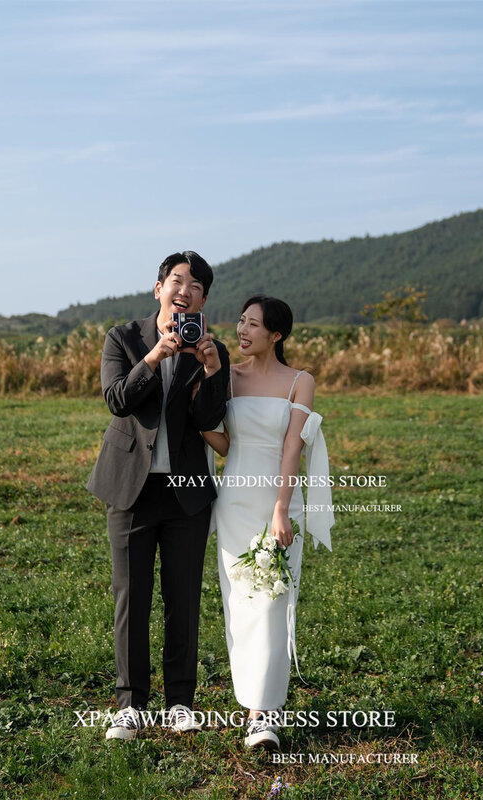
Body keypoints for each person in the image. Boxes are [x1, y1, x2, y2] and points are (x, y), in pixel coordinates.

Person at [87, 251, 229, 740]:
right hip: (131, 489)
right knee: (132, 596)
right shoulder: (123, 338)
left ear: (204, 299)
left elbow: (211, 421)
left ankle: (181, 704)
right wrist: (153, 359)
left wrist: (210, 370)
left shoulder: (212, 349)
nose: (184, 290)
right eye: (176, 281)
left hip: (187, 493)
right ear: (158, 288)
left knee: (183, 598)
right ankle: (130, 705)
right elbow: (116, 399)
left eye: (195, 286)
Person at [202, 295, 333, 750]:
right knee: (241, 601)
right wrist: (196, 418)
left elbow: (292, 449)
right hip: (235, 502)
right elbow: (224, 444)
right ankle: (250, 703)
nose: (242, 330)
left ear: (275, 334)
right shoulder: (229, 378)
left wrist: (281, 508)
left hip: (279, 503)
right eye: (241, 321)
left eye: (253, 324)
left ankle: (265, 715)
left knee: (274, 603)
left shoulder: (300, 381)